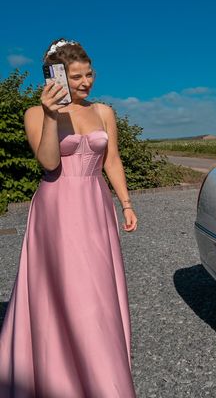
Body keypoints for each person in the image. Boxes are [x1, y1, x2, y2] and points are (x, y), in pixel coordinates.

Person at [0, 38, 138, 397]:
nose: (85, 82)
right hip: (56, 209)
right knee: (64, 292)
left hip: (95, 204)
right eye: (75, 76)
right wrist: (49, 115)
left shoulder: (103, 112)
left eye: (88, 74)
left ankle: (103, 376)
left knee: (96, 293)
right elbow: (48, 162)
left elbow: (112, 161)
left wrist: (125, 202)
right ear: (55, 76)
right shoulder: (35, 113)